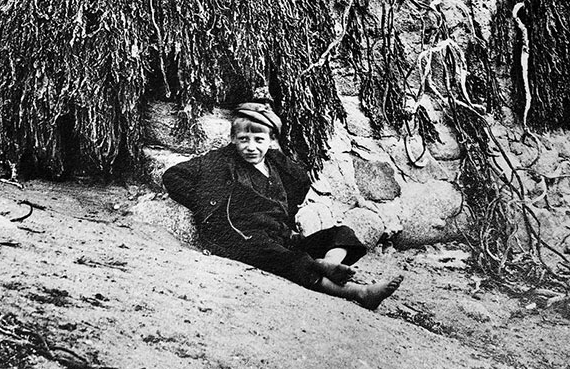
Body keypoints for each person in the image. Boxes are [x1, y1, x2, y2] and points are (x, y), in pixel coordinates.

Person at [161, 101, 402, 309]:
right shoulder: (220, 162)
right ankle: (358, 292)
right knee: (289, 260)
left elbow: (300, 182)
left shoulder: (276, 164)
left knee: (341, 234)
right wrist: (208, 202)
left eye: (258, 140)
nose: (251, 147)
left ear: (271, 140)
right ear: (233, 139)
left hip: (280, 234)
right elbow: (173, 176)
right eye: (243, 139)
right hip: (244, 238)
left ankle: (331, 264)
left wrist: (290, 223)